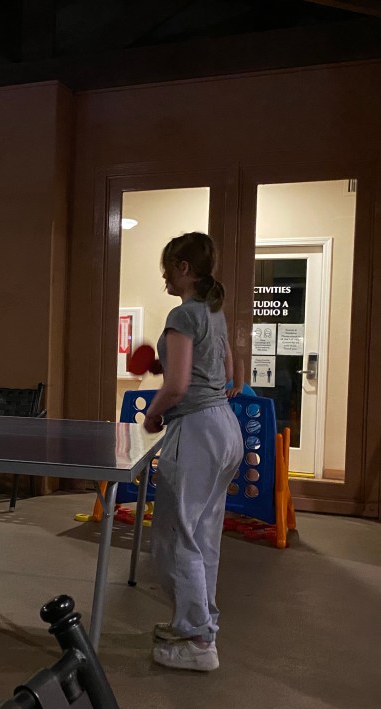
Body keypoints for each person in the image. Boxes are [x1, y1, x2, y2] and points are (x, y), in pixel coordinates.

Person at [142, 232, 243, 672]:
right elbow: (229, 370)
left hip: (197, 430)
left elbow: (179, 386)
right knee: (202, 536)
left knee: (174, 538)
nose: (164, 276)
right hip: (225, 428)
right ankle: (200, 626)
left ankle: (197, 640)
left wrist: (153, 414)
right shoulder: (213, 312)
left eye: (168, 267)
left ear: (183, 268)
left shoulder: (182, 314)